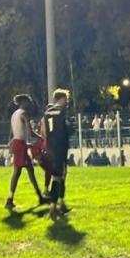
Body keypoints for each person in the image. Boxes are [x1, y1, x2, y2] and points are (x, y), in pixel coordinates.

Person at [6, 94, 46, 209]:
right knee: (19, 172)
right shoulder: (24, 114)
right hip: (20, 144)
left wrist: (12, 145)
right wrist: (41, 138)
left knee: (26, 171)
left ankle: (39, 197)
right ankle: (10, 200)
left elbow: (12, 133)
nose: (30, 103)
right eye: (28, 101)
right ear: (23, 102)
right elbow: (30, 132)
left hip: (17, 143)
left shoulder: (14, 114)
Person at [41, 89, 73, 221]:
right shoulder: (63, 111)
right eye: (66, 99)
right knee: (59, 177)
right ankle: (54, 207)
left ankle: (61, 203)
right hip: (60, 147)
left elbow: (43, 131)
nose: (67, 101)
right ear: (62, 98)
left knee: (58, 176)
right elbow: (69, 129)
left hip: (50, 148)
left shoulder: (47, 112)